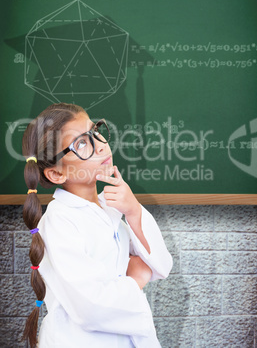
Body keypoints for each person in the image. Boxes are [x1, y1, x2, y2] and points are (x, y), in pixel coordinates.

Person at [22, 103, 173, 348]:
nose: (101, 144)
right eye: (81, 143)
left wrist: (134, 210)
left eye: (95, 131)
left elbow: (162, 265)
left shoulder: (112, 205)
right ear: (57, 174)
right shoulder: (60, 221)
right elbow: (90, 307)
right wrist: (135, 279)